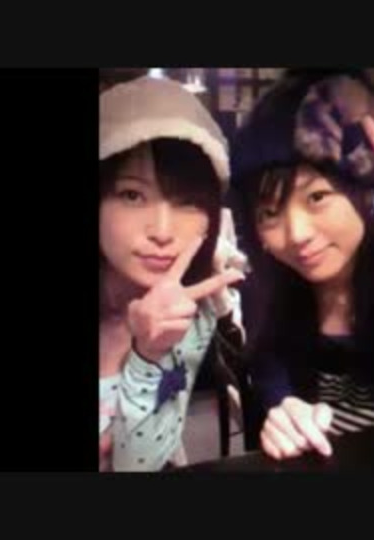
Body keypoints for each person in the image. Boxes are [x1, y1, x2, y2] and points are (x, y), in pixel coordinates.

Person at [229, 69, 374, 460]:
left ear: (362, 192)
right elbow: (268, 369)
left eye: (317, 197)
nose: (296, 234)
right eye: (269, 213)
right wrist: (283, 410)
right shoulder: (266, 290)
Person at [98, 77, 246, 471]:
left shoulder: (189, 317)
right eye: (132, 195)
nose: (162, 232)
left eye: (187, 201)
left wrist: (149, 355)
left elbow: (139, 465)